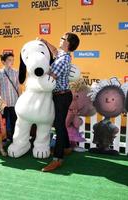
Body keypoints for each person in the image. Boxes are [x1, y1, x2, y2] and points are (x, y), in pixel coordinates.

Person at [40, 32, 80, 172]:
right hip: (61, 95)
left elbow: (50, 77)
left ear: (68, 44)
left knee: (58, 125)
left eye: (62, 38)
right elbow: (55, 51)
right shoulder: (63, 55)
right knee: (60, 124)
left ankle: (58, 159)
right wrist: (45, 42)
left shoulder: (63, 60)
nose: (60, 39)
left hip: (61, 97)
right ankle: (67, 147)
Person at [0, 52, 20, 141]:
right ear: (3, 62)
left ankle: (14, 139)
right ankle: (4, 140)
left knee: (15, 121)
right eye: (9, 60)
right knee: (2, 123)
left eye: (12, 60)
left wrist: (20, 99)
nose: (12, 62)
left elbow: (18, 87)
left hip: (14, 101)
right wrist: (1, 101)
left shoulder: (16, 72)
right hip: (2, 103)